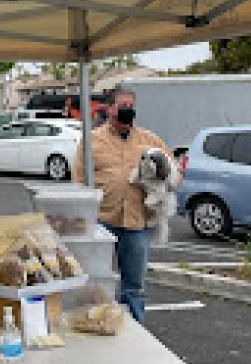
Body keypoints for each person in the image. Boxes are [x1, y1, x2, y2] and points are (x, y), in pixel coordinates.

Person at [73, 89, 177, 323]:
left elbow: (173, 171)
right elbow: (78, 180)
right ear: (110, 109)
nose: (128, 109)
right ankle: (94, 322)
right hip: (101, 220)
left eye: (131, 105)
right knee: (95, 279)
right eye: (123, 105)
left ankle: (135, 330)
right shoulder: (92, 140)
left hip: (136, 222)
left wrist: (168, 180)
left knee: (134, 286)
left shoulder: (149, 140)